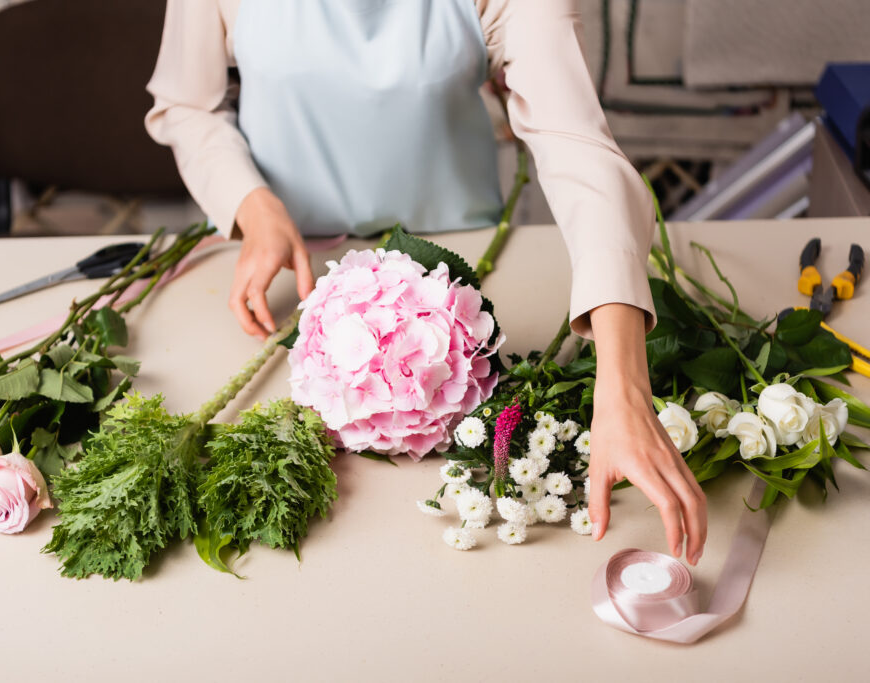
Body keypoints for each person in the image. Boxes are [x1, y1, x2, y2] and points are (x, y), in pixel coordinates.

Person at [145, 0, 707, 564]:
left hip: (464, 278)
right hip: (292, 279)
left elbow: (578, 147)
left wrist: (624, 387)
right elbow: (186, 105)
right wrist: (250, 203)